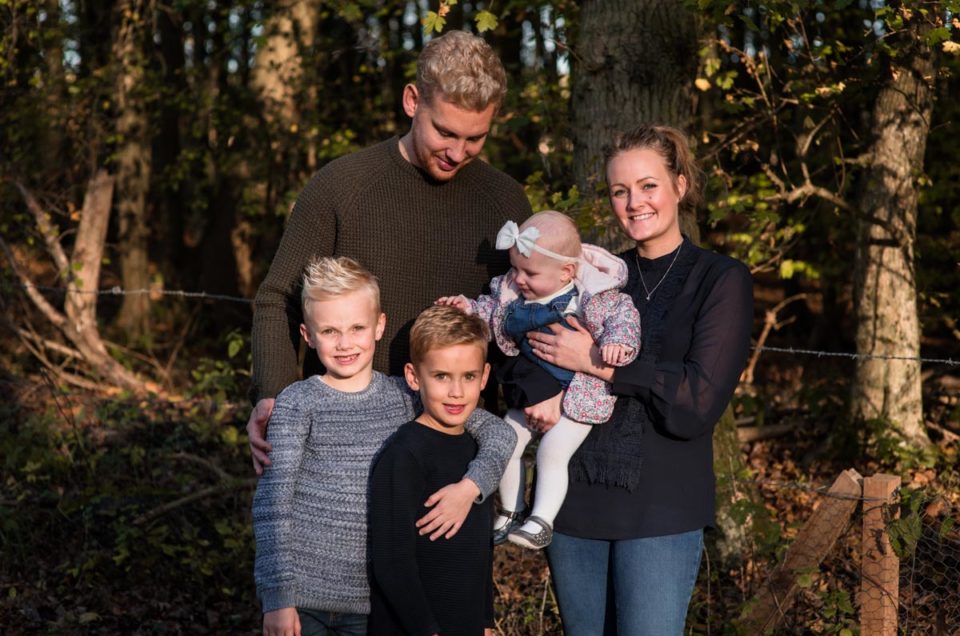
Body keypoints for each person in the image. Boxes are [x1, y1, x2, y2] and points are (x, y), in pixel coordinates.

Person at [246, 29, 532, 539]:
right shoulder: (342, 188)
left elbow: (520, 322)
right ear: (412, 100)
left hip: (454, 456)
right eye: (445, 132)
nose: (459, 151)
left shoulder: (505, 204)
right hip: (343, 451)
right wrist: (274, 396)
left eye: (476, 138)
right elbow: (277, 298)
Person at [524, 125, 753, 634]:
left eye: (648, 186)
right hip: (576, 505)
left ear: (680, 185)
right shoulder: (595, 275)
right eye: (620, 191)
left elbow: (695, 401)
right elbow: (537, 348)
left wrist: (598, 363)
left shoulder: (719, 279)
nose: (634, 203)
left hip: (661, 513)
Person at [252, 257, 515, 636]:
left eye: (357, 327)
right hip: (306, 597)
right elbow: (273, 503)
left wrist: (471, 487)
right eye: (329, 331)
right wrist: (278, 596)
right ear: (308, 335)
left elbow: (499, 434)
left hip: (372, 600)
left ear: (379, 326)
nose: (345, 344)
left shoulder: (402, 395)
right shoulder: (299, 402)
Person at [437, 211, 640, 550]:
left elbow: (624, 317)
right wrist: (468, 308)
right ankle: (512, 510)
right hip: (530, 393)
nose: (519, 279)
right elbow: (491, 313)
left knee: (552, 451)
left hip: (578, 397)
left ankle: (541, 520)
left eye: (529, 272)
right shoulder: (512, 295)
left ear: (567, 271)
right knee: (504, 441)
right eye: (515, 269)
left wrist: (619, 342)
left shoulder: (591, 297)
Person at [368, 305, 497, 635]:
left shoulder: (477, 454)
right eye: (441, 376)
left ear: (484, 376)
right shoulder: (404, 454)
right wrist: (426, 628)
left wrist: (485, 619)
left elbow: (481, 547)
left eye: (468, 376)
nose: (456, 391)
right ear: (414, 377)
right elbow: (391, 560)